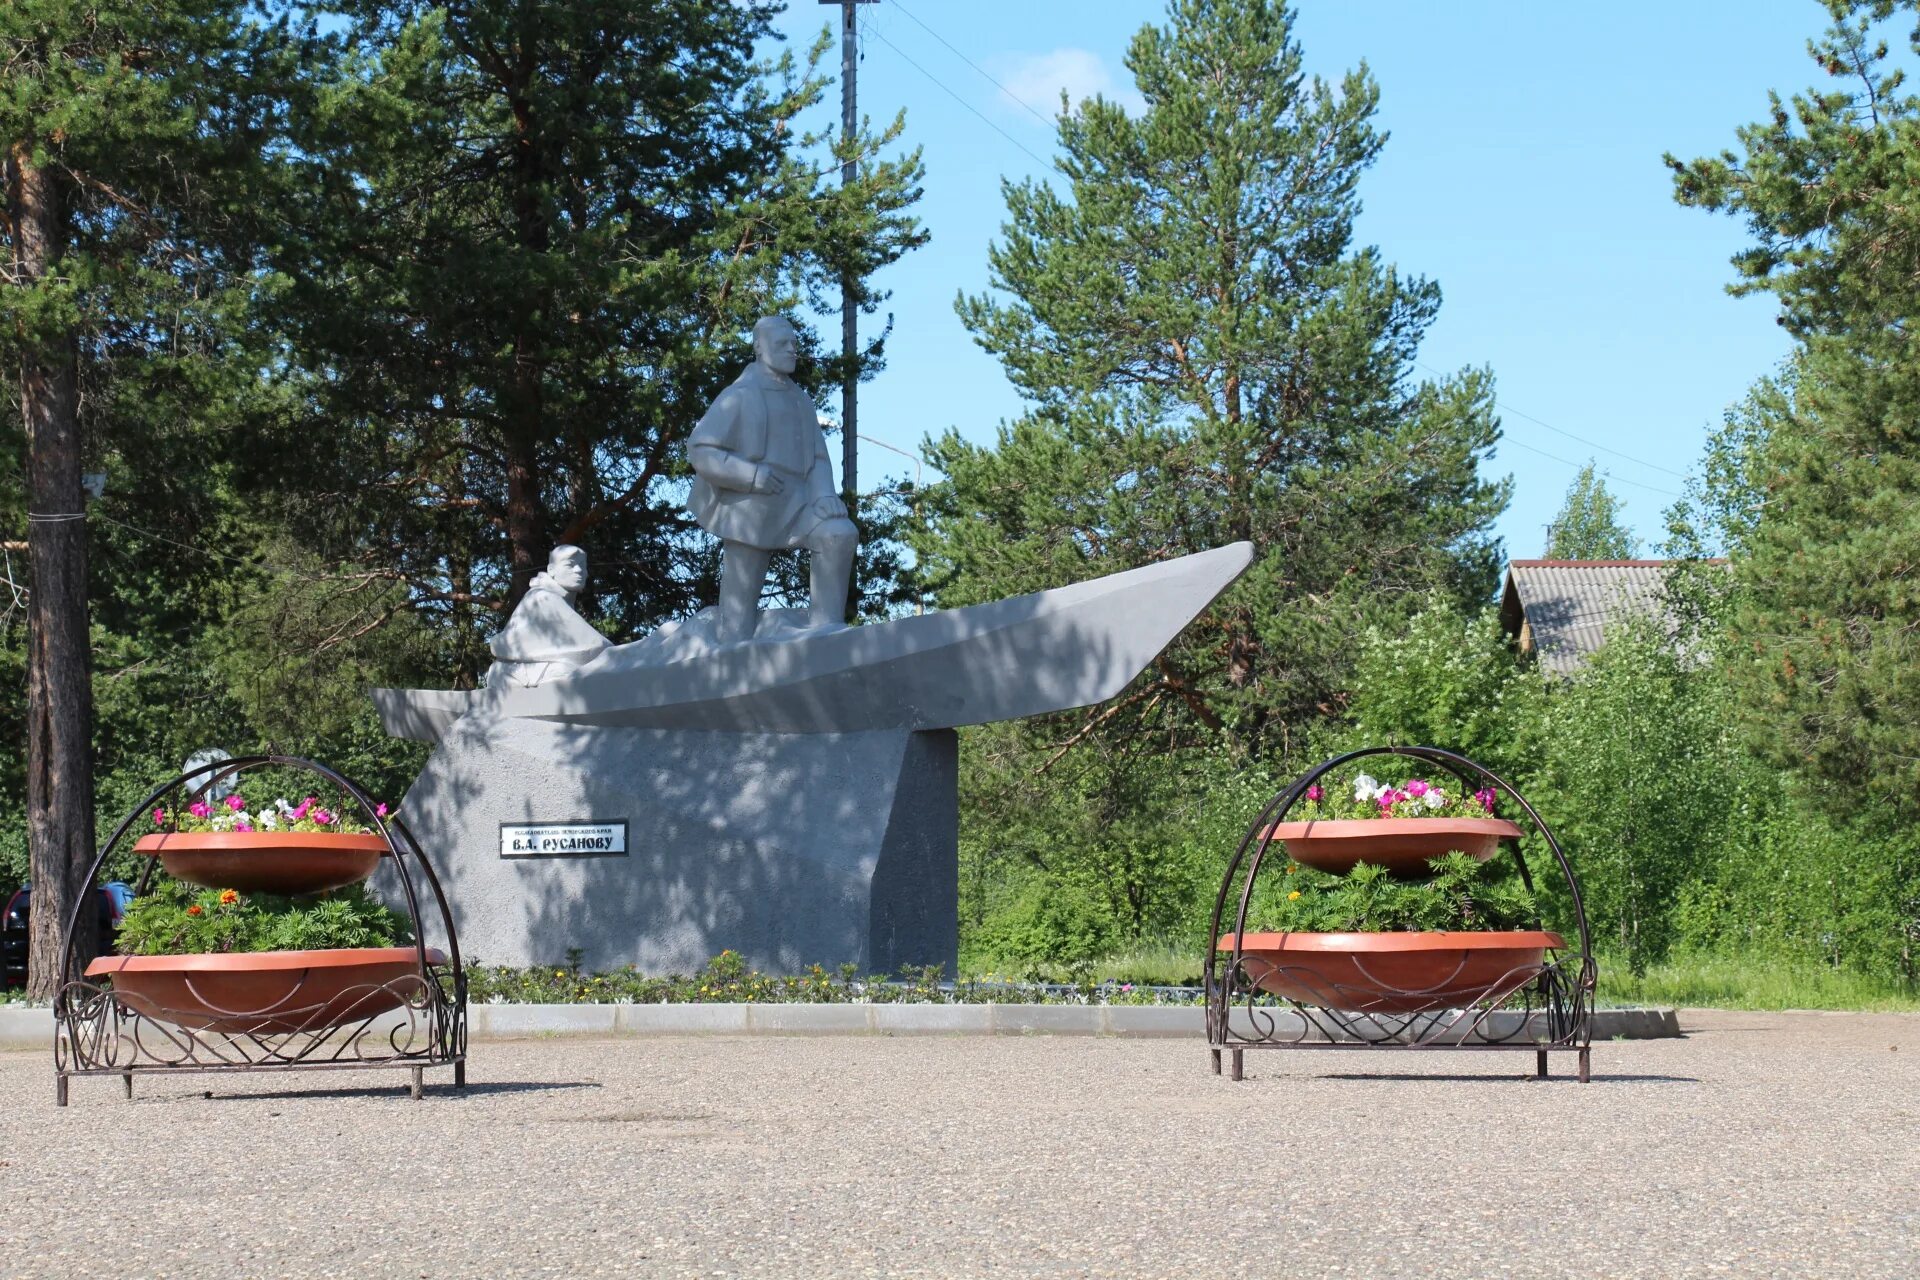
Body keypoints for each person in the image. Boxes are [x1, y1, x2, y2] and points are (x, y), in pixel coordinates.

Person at [686, 316, 857, 642]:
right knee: (737, 621)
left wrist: (823, 496)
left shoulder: (800, 400)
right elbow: (701, 449)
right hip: (749, 509)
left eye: (794, 343)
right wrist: (749, 475)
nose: (792, 350)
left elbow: (819, 458)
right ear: (759, 348)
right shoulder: (739, 395)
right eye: (782, 344)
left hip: (799, 503)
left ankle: (826, 633)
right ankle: (731, 667)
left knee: (838, 533)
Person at [486, 545, 610, 688]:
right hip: (512, 673)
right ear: (551, 570)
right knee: (573, 673)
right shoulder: (543, 597)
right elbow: (592, 643)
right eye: (570, 564)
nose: (579, 570)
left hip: (520, 671)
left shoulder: (562, 601)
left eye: (583, 565)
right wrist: (623, 654)